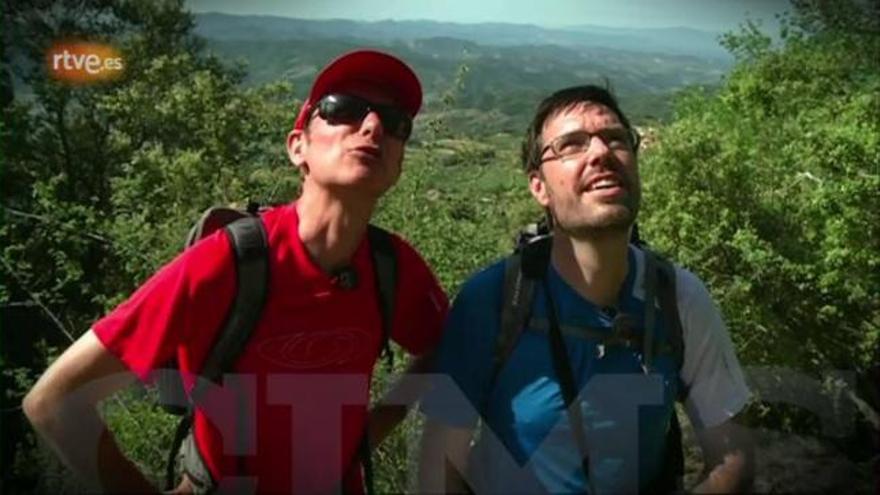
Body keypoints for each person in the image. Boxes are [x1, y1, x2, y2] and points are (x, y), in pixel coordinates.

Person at [23, 49, 449, 494]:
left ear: (399, 159)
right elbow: (54, 400)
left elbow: (445, 346)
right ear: (296, 147)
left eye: (395, 122)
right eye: (342, 109)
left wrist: (373, 428)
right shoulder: (227, 264)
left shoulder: (394, 268)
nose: (373, 127)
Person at [417, 85, 753, 494]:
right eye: (571, 145)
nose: (600, 153)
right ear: (539, 187)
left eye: (616, 139)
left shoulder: (678, 298)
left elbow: (732, 457)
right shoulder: (493, 300)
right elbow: (439, 460)